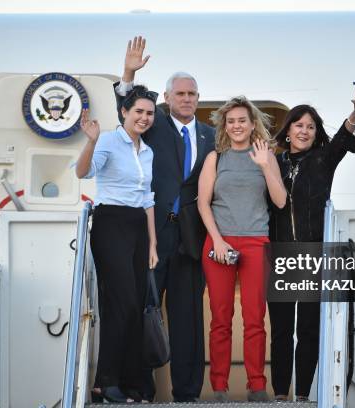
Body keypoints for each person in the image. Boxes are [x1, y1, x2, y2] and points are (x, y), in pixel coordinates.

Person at [113, 36, 216, 402]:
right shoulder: (152, 125)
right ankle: (140, 389)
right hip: (153, 235)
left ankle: (187, 393)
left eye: (192, 94)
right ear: (167, 99)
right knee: (145, 309)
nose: (187, 99)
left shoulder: (211, 136)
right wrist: (128, 73)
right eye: (180, 94)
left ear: (197, 99)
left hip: (192, 237)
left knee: (189, 318)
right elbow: (123, 109)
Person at [267, 82, 355, 402]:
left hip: (313, 252)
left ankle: (302, 395)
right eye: (299, 125)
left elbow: (341, 139)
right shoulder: (274, 162)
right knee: (282, 329)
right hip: (281, 252)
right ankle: (281, 393)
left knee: (308, 329)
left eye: (310, 126)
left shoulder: (323, 160)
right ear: (288, 131)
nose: (305, 130)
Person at [197, 96, 287, 402]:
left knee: (254, 318)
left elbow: (279, 201)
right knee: (220, 318)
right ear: (225, 125)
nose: (236, 126)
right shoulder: (215, 158)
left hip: (256, 241)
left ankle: (257, 386)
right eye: (231, 121)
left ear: (252, 125)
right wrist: (218, 240)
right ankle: (219, 386)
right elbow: (202, 204)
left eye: (242, 121)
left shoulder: (266, 155)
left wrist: (264, 166)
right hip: (219, 243)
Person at [75, 85, 159, 403]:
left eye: (149, 113)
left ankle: (130, 382)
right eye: (138, 111)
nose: (144, 117)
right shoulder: (108, 140)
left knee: (135, 305)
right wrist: (91, 141)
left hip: (138, 226)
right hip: (111, 223)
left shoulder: (147, 151)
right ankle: (105, 381)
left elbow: (147, 199)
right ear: (124, 112)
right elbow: (83, 172)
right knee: (120, 303)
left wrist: (151, 243)